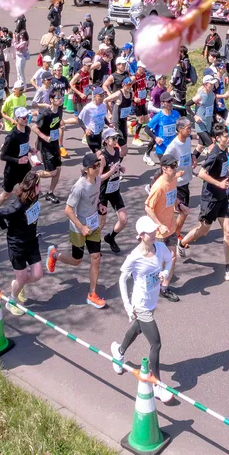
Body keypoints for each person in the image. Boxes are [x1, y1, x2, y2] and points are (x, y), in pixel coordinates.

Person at [110, 216, 175, 403]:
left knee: (137, 329)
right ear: (140, 235)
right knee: (156, 344)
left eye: (154, 230)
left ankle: (119, 352)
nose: (154, 233)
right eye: (149, 232)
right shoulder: (134, 257)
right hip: (140, 304)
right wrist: (127, 306)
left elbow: (169, 261)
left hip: (152, 302)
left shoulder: (160, 248)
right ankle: (157, 385)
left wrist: (164, 272)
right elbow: (122, 279)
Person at [177, 124, 229, 282]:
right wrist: (218, 183)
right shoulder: (213, 154)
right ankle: (183, 243)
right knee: (204, 230)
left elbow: (225, 169)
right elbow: (201, 173)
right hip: (210, 199)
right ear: (218, 138)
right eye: (226, 137)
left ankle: (228, 269)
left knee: (228, 232)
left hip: (222, 199)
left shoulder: (224, 152)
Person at [46, 153, 109, 308]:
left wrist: (100, 204)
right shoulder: (79, 187)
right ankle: (54, 254)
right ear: (86, 169)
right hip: (79, 228)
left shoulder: (98, 179)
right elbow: (68, 210)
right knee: (77, 260)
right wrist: (81, 227)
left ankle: (92, 294)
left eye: (98, 164)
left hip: (93, 226)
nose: (98, 167)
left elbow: (95, 196)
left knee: (96, 257)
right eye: (94, 166)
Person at [0, 171, 45, 316]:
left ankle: (17, 284)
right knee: (21, 277)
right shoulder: (17, 207)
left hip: (32, 241)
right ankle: (11, 301)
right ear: (33, 187)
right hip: (17, 245)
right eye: (39, 184)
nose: (41, 187)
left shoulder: (35, 196)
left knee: (38, 274)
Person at [145, 153, 185, 302]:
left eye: (176, 166)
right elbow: (148, 208)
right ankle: (143, 276)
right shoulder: (159, 187)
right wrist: (158, 224)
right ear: (164, 168)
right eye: (172, 167)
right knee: (156, 261)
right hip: (160, 231)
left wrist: (179, 205)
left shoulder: (173, 180)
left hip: (171, 227)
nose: (175, 169)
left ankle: (164, 288)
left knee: (172, 257)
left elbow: (173, 196)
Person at [98, 128, 128, 254]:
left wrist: (120, 168)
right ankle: (94, 243)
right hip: (103, 192)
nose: (116, 140)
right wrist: (111, 171)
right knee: (101, 223)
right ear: (106, 140)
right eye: (113, 138)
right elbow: (99, 177)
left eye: (116, 138)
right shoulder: (102, 157)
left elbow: (115, 165)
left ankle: (110, 237)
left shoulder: (116, 151)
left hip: (115, 189)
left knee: (123, 219)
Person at [0, 105, 34, 193]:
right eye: (23, 118)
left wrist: (30, 149)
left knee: (27, 190)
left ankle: (22, 205)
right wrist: (18, 160)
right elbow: (3, 156)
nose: (26, 119)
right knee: (6, 194)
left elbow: (22, 144)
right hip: (12, 170)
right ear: (17, 119)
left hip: (25, 166)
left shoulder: (27, 130)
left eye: (27, 116)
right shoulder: (11, 136)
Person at [143, 92, 180, 166]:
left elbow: (179, 126)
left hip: (173, 147)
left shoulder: (176, 114)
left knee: (173, 170)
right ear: (163, 104)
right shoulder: (158, 117)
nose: (171, 103)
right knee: (168, 170)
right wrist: (155, 138)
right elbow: (146, 129)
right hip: (162, 149)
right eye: (168, 101)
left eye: (171, 101)